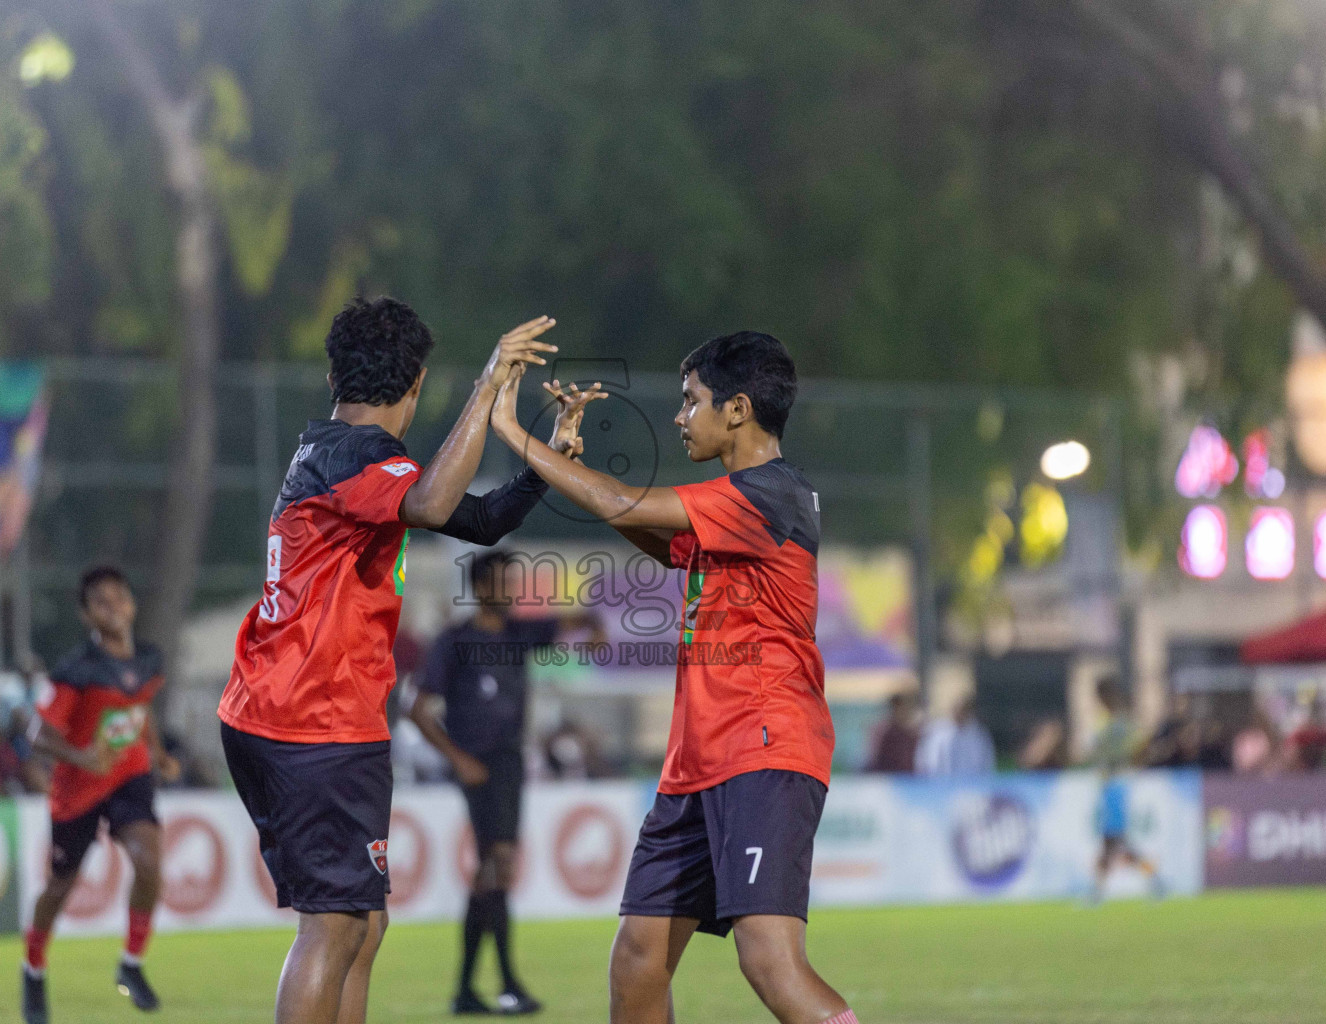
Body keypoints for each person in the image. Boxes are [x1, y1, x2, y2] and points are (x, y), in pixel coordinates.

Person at [217, 299, 594, 1024]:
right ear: (417, 384)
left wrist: (545, 464)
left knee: (362, 921)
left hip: (280, 709)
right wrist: (488, 387)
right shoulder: (360, 457)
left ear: (334, 373)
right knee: (333, 926)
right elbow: (430, 502)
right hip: (314, 719)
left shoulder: (335, 454)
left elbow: (478, 519)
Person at [488, 331, 859, 1024]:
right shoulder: (741, 503)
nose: (680, 417)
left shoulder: (770, 493)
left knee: (770, 961)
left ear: (739, 409)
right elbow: (656, 538)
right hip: (698, 762)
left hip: (762, 745)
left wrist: (512, 431)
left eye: (691, 402)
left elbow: (623, 504)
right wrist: (572, 462)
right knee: (638, 962)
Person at [408, 548, 606, 1015]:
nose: (511, 591)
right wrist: (458, 759)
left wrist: (595, 630)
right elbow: (417, 709)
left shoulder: (519, 634)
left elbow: (581, 619)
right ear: (479, 588)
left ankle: (466, 991)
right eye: (502, 583)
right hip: (480, 765)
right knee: (498, 861)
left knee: (491, 872)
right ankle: (508, 984)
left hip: (510, 764)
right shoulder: (454, 642)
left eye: (513, 582)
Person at [20, 566, 181, 1024]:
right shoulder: (76, 669)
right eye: (101, 602)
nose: (113, 608)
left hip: (129, 775)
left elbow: (140, 707)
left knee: (150, 862)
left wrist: (158, 753)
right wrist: (83, 757)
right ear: (86, 614)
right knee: (60, 885)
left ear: (131, 603)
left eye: (119, 598)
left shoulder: (150, 658)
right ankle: (33, 967)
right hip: (78, 790)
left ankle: (131, 964)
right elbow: (38, 735)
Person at [1085, 677, 1163, 903]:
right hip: (1109, 784)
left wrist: (1127, 766)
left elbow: (1141, 746)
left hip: (1116, 785)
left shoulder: (1120, 723)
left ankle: (1097, 892)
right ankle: (1152, 879)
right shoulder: (1108, 721)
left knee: (1112, 840)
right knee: (1116, 842)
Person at [914, 695, 995, 777]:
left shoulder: (979, 734)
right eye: (958, 709)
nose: (960, 713)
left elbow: (987, 762)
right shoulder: (937, 732)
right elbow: (926, 761)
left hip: (972, 785)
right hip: (940, 784)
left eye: (964, 710)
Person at [865, 693, 919, 774]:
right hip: (888, 777)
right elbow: (874, 758)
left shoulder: (913, 734)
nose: (903, 712)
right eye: (900, 708)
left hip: (909, 779)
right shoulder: (884, 732)